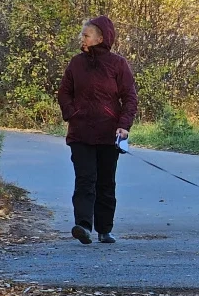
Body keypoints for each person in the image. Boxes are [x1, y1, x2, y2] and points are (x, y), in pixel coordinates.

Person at [57, 16, 138, 244]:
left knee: (105, 182)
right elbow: (64, 93)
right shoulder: (76, 63)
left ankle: (105, 229)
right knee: (85, 179)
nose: (82, 39)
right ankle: (83, 225)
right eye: (82, 35)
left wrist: (124, 125)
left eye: (86, 35)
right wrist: (73, 113)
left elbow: (129, 97)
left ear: (100, 38)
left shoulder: (118, 64)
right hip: (80, 133)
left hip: (109, 133)